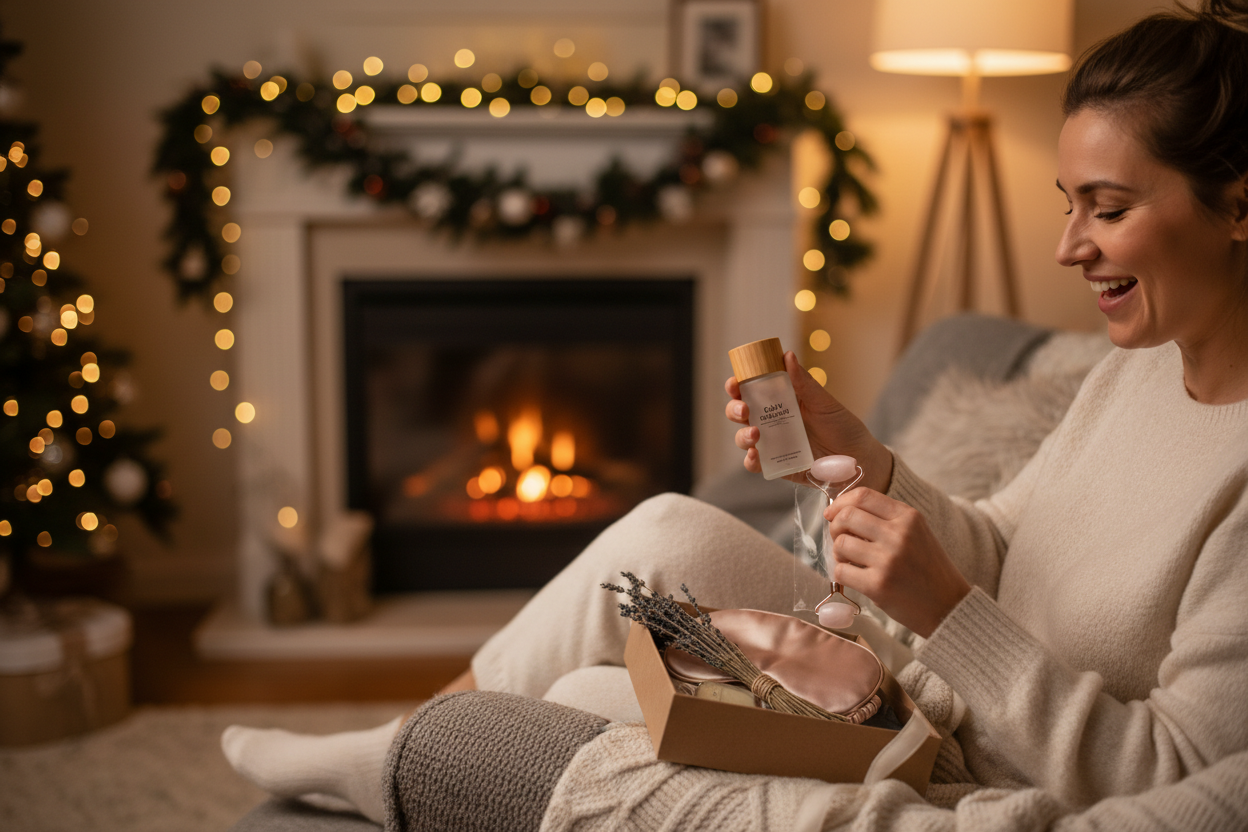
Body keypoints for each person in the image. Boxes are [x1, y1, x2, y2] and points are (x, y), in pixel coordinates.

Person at [221, 1, 1248, 829]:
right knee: (666, 534)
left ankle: (394, 765)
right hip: (938, 685)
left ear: (1238, 204)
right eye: (1068, 202)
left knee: (589, 703)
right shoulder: (1143, 367)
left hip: (981, 760)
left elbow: (1171, 780)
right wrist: (868, 461)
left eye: (1107, 209)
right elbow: (1010, 546)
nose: (1070, 246)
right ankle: (409, 739)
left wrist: (945, 613)